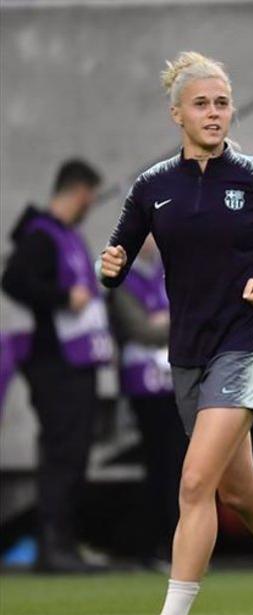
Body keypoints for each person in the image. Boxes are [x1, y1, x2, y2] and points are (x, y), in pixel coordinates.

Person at [98, 52, 253, 615]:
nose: (213, 113)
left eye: (222, 103)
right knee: (241, 491)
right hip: (189, 354)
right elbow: (118, 256)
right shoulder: (152, 187)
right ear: (177, 113)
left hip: (249, 344)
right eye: (201, 103)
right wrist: (111, 268)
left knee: (195, 481)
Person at [1, 158, 111, 573]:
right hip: (54, 362)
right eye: (91, 197)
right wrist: (64, 298)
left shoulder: (65, 236)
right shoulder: (42, 236)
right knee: (62, 451)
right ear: (80, 192)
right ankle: (53, 544)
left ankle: (64, 540)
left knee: (75, 450)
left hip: (76, 361)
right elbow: (12, 280)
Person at [106, 234, 188, 565]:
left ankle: (178, 544)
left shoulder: (170, 268)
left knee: (181, 468)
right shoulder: (123, 276)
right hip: (144, 383)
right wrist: (174, 321)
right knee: (156, 466)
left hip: (176, 380)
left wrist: (167, 321)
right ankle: (154, 545)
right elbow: (140, 329)